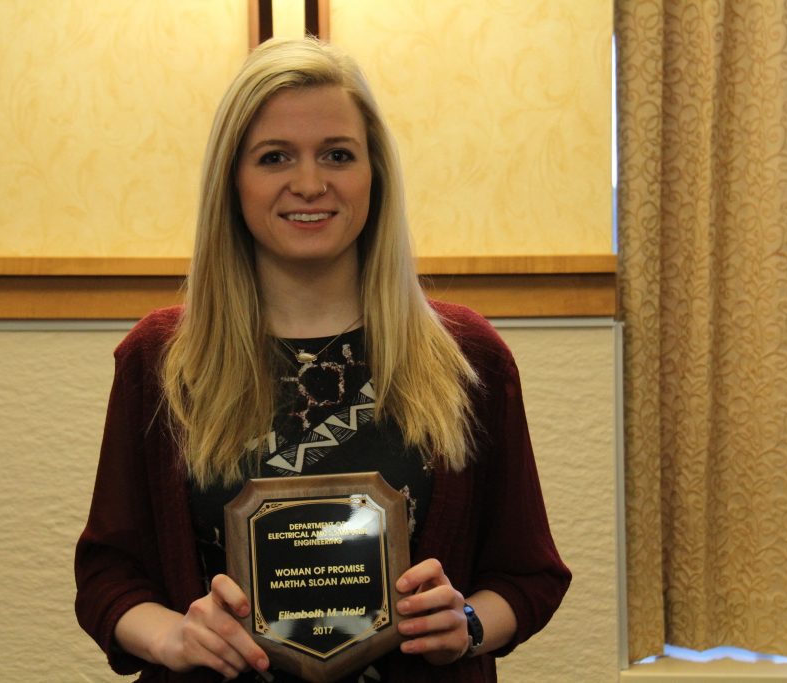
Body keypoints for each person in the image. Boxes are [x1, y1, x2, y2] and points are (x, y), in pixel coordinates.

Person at [75, 37, 570, 683]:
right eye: (274, 156)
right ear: (233, 179)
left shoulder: (467, 358)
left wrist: (467, 625)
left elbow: (529, 574)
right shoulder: (161, 360)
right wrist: (173, 636)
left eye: (337, 154)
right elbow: (108, 575)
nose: (309, 183)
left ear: (375, 175)